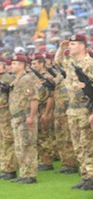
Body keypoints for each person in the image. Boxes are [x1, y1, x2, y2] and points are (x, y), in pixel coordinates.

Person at [55, 34, 93, 190]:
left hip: (86, 108)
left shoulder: (89, 64)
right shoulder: (70, 62)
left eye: (73, 44)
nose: (70, 46)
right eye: (69, 44)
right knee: (77, 145)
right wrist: (61, 48)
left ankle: (91, 177)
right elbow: (57, 61)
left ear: (83, 46)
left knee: (88, 145)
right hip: (73, 109)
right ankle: (85, 175)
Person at [9, 54, 39, 184]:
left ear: (22, 65)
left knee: (27, 145)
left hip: (24, 117)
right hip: (17, 118)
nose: (12, 65)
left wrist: (31, 117)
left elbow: (33, 98)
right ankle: (24, 173)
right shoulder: (16, 80)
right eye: (12, 63)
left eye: (15, 63)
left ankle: (30, 175)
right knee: (20, 147)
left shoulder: (26, 79)